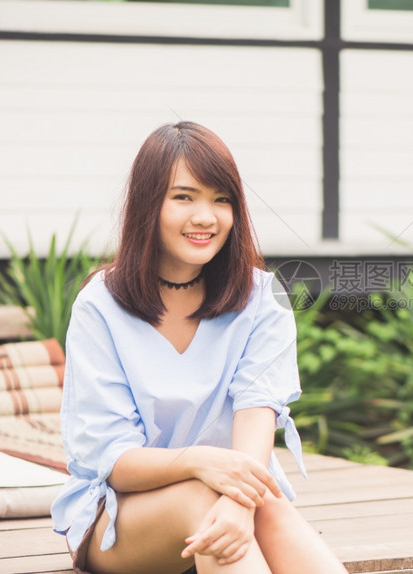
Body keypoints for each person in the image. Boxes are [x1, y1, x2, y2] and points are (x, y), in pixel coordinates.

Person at [50, 121, 348, 574]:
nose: (206, 216)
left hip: (235, 502)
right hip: (122, 518)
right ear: (149, 205)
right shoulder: (101, 306)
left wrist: (235, 498)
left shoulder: (260, 298)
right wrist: (203, 464)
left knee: (259, 502)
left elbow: (255, 416)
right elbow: (113, 461)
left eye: (221, 199)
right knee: (209, 499)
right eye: (184, 197)